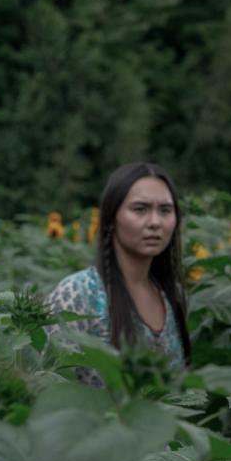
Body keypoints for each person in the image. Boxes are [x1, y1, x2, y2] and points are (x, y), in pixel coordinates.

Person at [46, 163, 192, 383]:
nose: (155, 222)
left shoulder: (173, 296)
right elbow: (46, 381)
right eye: (140, 209)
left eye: (165, 210)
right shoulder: (78, 294)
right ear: (111, 218)